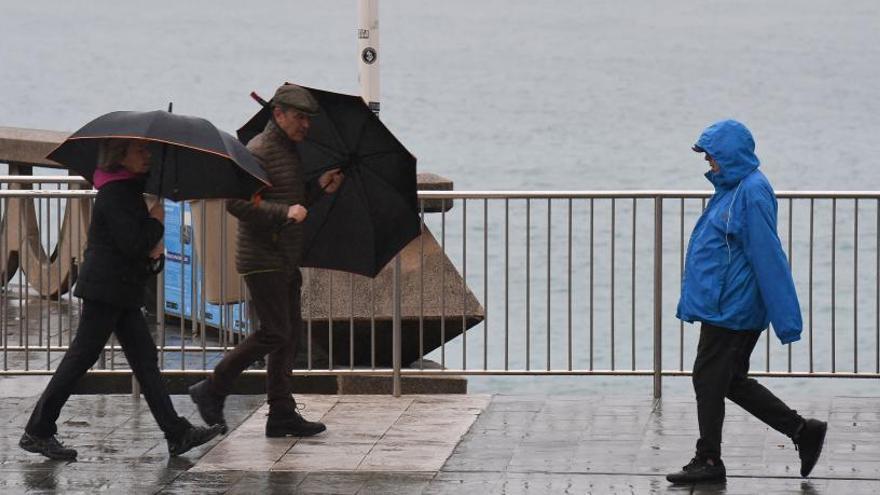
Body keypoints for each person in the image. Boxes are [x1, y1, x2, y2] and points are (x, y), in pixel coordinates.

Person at [20, 139, 223, 461]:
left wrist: (152, 241)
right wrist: (156, 219)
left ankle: (177, 433)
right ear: (121, 155)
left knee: (144, 362)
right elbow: (133, 242)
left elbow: (134, 244)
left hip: (120, 290)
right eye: (140, 151)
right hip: (107, 290)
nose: (147, 156)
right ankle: (38, 429)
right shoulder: (116, 193)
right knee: (81, 359)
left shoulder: (126, 189)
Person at [667, 120, 827, 484]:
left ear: (729, 153)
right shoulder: (733, 187)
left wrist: (787, 318)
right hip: (726, 304)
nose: (707, 160)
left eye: (711, 153)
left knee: (708, 378)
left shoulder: (752, 191)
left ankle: (709, 461)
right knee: (728, 380)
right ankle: (803, 431)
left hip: (733, 309)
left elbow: (768, 255)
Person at [189, 84, 343, 437]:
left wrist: (320, 188)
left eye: (309, 119)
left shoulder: (290, 151)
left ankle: (281, 412)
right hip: (263, 258)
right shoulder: (259, 151)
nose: (306, 125)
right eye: (300, 118)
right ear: (279, 114)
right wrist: (285, 212)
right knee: (274, 332)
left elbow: (293, 203)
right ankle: (212, 388)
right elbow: (237, 203)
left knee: (288, 337)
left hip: (285, 256)